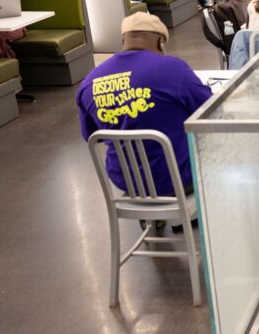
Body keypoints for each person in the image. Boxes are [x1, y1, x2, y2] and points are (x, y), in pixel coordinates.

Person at [77, 12, 213, 199]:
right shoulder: (173, 69)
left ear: (123, 40)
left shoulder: (89, 82)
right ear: (160, 42)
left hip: (126, 181)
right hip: (177, 177)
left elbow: (90, 135)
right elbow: (210, 109)